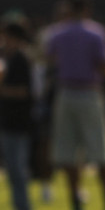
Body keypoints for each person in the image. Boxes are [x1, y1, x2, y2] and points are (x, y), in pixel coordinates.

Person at [44, 0, 105, 210]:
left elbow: (49, 57)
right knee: (100, 150)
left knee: (68, 152)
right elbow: (104, 66)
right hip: (89, 93)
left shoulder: (58, 33)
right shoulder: (95, 32)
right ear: (87, 10)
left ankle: (75, 200)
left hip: (65, 94)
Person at [1, 17, 36, 210]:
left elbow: (24, 91)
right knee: (13, 171)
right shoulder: (6, 57)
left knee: (18, 170)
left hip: (19, 122)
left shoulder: (21, 59)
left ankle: (23, 206)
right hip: (6, 120)